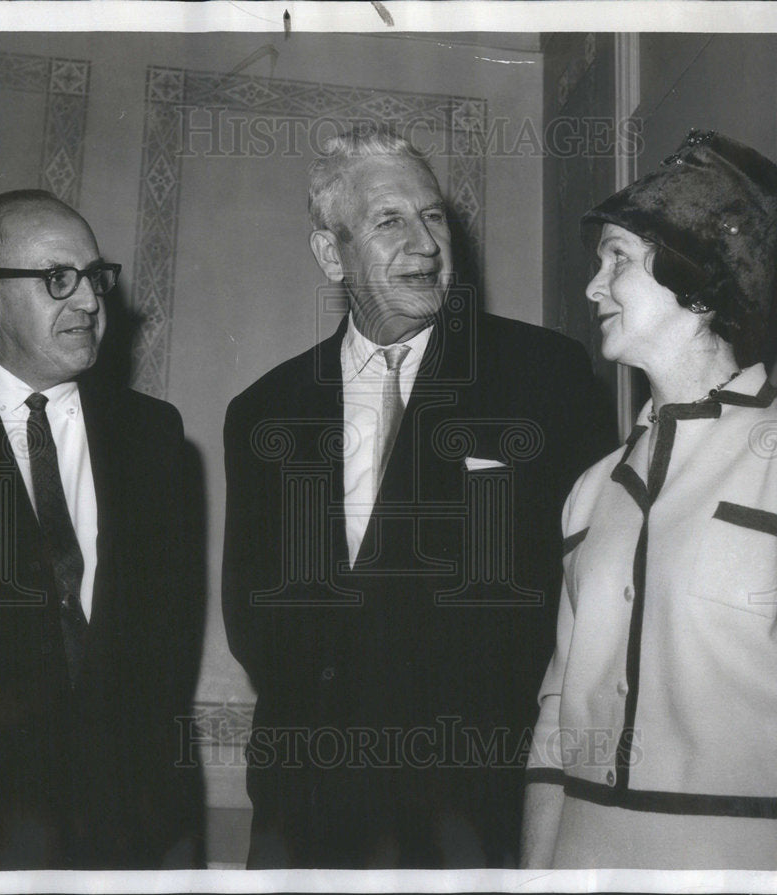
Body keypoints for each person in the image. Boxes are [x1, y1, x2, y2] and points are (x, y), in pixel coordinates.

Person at [222, 124, 610, 868]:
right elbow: (253, 613)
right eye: (389, 221)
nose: (426, 244)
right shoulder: (266, 410)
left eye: (433, 216)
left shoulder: (542, 375)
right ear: (330, 253)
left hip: (476, 814)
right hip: (307, 817)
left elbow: (587, 597)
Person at [521, 130, 777, 870]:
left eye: (617, 258)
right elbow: (557, 717)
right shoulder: (591, 490)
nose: (594, 287)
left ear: (694, 276)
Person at [0, 190, 204, 869]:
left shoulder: (155, 437)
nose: (91, 302)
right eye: (56, 279)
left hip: (126, 840)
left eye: (95, 277)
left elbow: (161, 676)